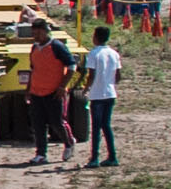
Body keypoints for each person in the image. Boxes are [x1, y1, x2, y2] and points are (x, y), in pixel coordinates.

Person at [25, 21, 73, 164]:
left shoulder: (57, 47)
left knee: (57, 123)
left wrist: (62, 86)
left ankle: (69, 144)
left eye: (39, 33)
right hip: (36, 93)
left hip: (54, 92)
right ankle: (41, 154)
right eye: (34, 34)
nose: (36, 36)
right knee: (38, 124)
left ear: (46, 31)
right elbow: (33, 70)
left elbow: (71, 66)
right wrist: (28, 89)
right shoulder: (34, 48)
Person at [79, 26, 123, 167]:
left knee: (96, 127)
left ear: (96, 37)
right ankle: (112, 156)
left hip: (97, 95)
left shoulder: (93, 54)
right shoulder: (114, 54)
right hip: (110, 94)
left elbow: (91, 75)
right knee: (106, 126)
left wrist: (86, 88)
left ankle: (94, 158)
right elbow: (118, 76)